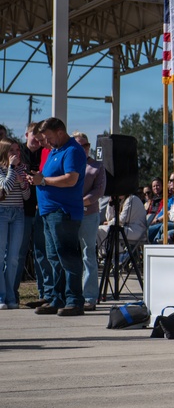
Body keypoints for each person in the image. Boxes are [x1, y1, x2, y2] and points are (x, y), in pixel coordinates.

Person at [28, 117, 88, 316]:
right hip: (49, 212)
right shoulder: (56, 151)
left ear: (60, 132)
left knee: (67, 256)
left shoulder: (72, 151)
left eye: (49, 137)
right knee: (54, 257)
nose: (47, 142)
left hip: (63, 211)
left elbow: (71, 179)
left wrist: (43, 180)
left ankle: (74, 300)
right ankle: (57, 297)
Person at [73, 132, 106, 312]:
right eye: (80, 146)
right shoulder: (69, 163)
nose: (84, 148)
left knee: (88, 254)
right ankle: (71, 294)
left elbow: (99, 191)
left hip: (89, 214)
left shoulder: (97, 166)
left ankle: (90, 296)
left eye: (86, 145)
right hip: (69, 214)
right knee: (71, 254)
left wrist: (81, 202)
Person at [14, 123, 46, 307]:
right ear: (26, 134)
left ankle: (44, 294)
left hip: (42, 209)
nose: (37, 139)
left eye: (40, 136)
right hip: (22, 211)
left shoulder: (45, 153)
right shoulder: (19, 152)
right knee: (18, 254)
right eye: (34, 135)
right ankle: (12, 293)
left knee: (42, 253)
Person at [0, 137, 30, 309]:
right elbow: (5, 188)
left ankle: (11, 295)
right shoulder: (2, 169)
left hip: (18, 213)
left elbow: (26, 196)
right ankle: (2, 296)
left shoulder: (23, 169)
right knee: (0, 256)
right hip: (2, 212)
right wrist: (11, 168)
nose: (16, 154)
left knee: (13, 258)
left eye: (17, 150)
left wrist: (23, 183)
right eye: (12, 150)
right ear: (4, 152)